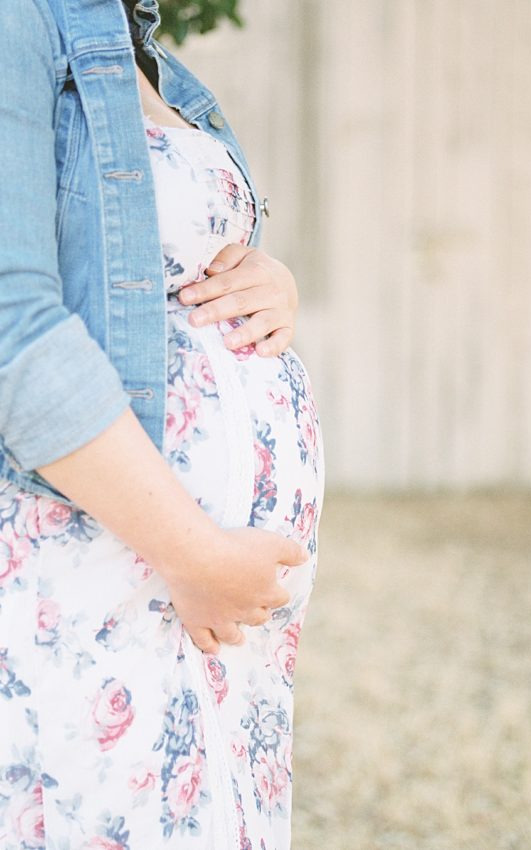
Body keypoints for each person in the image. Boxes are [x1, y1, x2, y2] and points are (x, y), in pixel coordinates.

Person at [0, 1, 325, 848]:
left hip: (194, 588)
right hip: (115, 558)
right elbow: (11, 329)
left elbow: (154, 258)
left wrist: (266, 278)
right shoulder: (18, 22)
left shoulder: (141, 50)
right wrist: (194, 552)